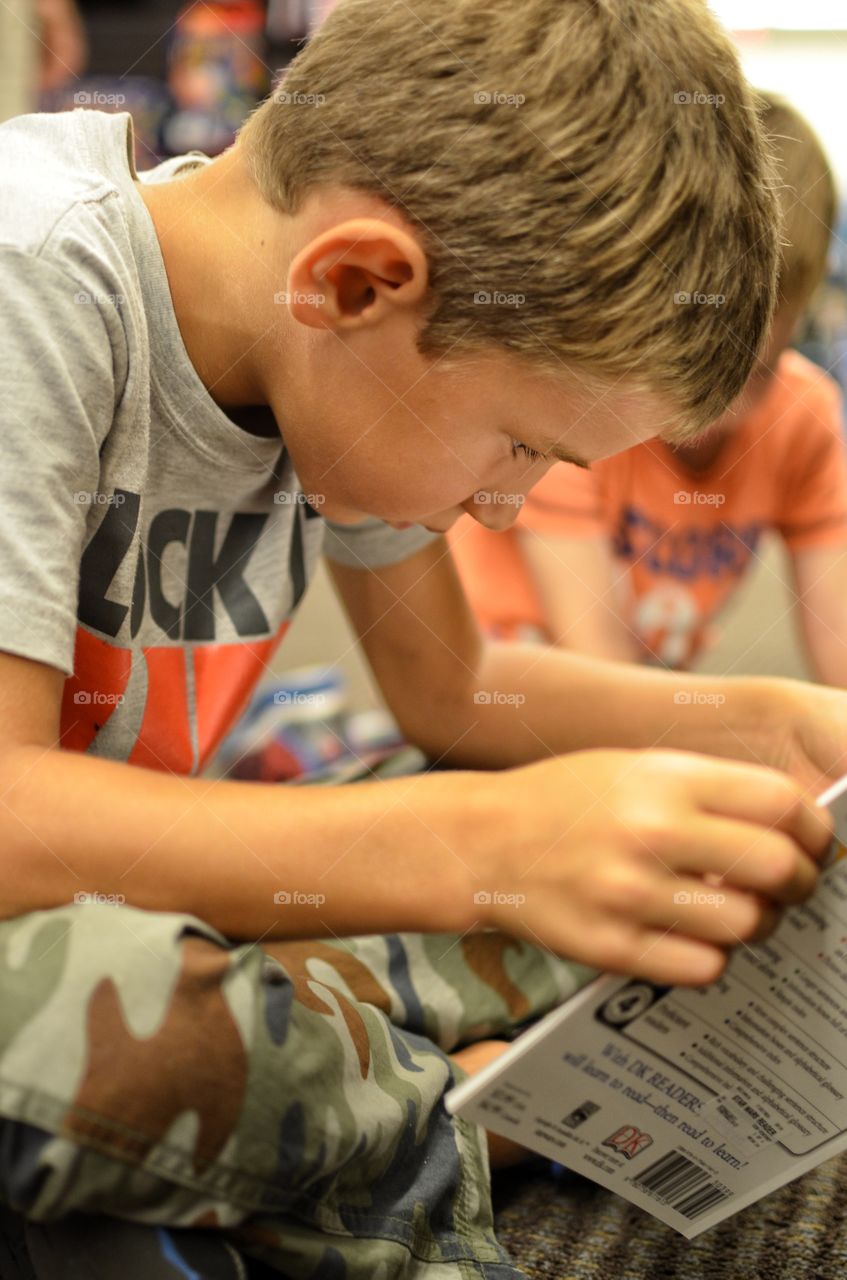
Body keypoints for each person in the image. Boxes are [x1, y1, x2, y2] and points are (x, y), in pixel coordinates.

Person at [0, 3, 844, 1276]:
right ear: (355, 280)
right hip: (44, 932)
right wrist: (489, 846)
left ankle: (345, 1107)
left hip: (131, 903)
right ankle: (450, 1132)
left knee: (658, 873)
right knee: (102, 1016)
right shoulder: (32, 274)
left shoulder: (329, 348)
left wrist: (756, 729)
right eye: (521, 445)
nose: (507, 504)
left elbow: (458, 692)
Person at [450, 93, 847, 678]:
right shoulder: (577, 406)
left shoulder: (802, 419)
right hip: (501, 703)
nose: (708, 413)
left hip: (638, 707)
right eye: (688, 371)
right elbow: (600, 667)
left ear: (801, 317)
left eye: (750, 375)